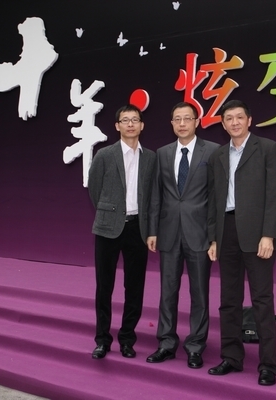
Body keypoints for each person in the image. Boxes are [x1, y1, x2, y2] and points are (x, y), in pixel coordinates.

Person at [206, 100, 276, 386]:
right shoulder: (218, 155)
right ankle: (231, 357)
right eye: (229, 118)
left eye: (240, 117)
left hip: (257, 233)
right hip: (226, 231)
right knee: (229, 300)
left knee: (262, 300)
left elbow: (275, 196)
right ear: (223, 124)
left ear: (249, 120)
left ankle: (268, 365)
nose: (235, 122)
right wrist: (213, 237)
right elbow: (214, 200)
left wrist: (269, 234)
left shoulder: (268, 148)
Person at [146, 102, 219, 368]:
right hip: (168, 233)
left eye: (187, 118)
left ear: (197, 122)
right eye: (177, 119)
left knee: (199, 293)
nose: (182, 123)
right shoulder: (162, 153)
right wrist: (152, 230)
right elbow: (156, 195)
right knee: (168, 291)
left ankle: (195, 346)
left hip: (199, 233)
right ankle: (166, 343)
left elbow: (216, 197)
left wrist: (214, 236)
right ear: (172, 123)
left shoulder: (212, 151)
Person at [88, 104, 156, 359]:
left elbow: (153, 195)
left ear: (142, 125)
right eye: (125, 120)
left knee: (135, 286)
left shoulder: (151, 158)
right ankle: (102, 340)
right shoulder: (104, 155)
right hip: (108, 227)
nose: (130, 124)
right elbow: (94, 189)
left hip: (138, 227)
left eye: (134, 120)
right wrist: (111, 212)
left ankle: (127, 338)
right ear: (117, 126)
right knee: (104, 286)